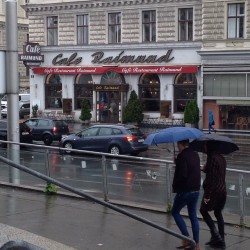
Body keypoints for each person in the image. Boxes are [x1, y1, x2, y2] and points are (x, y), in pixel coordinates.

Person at [171, 140, 201, 250]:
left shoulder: (182, 156)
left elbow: (183, 175)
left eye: (178, 145)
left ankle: (187, 239)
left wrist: (178, 164)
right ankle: (197, 244)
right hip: (196, 190)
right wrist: (177, 163)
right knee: (193, 216)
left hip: (185, 191)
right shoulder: (195, 154)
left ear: (180, 144)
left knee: (175, 212)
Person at [199, 141, 227, 249]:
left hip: (214, 190)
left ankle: (216, 236)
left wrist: (207, 196)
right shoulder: (221, 158)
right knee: (218, 212)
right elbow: (213, 171)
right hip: (223, 190)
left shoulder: (212, 159)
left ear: (209, 146)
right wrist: (204, 168)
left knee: (203, 210)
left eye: (205, 145)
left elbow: (213, 179)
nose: (204, 147)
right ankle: (221, 240)